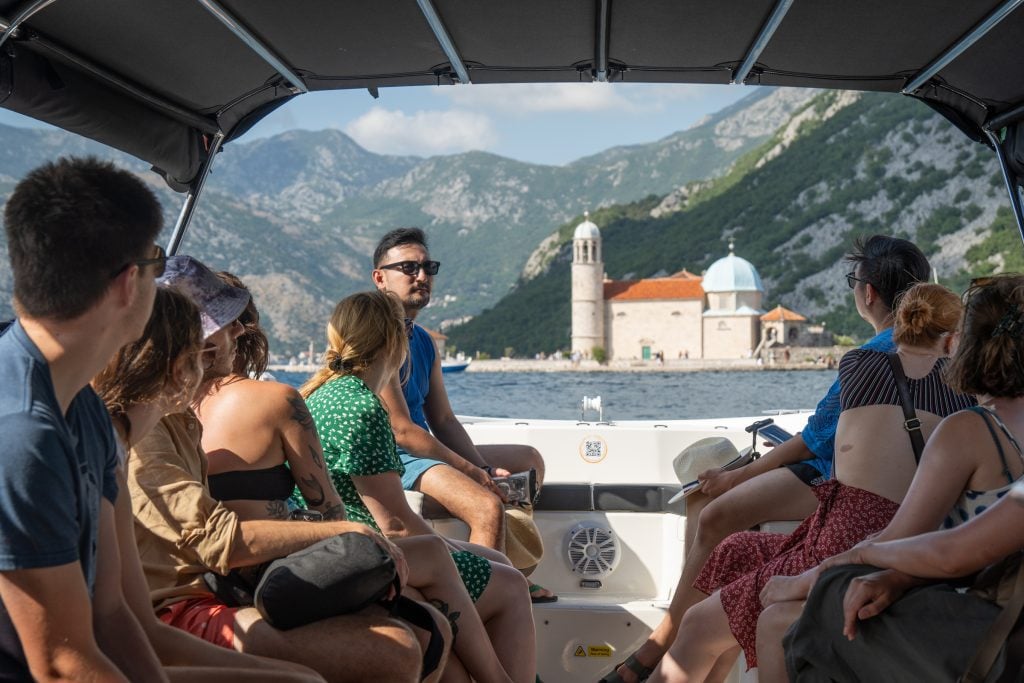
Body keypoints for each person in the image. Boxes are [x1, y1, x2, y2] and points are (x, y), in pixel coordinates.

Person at [602, 234, 931, 682]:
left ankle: (662, 644)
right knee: (727, 534)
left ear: (867, 293)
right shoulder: (945, 359)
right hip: (878, 503)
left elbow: (816, 438)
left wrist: (735, 478)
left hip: (844, 496)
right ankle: (676, 648)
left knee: (716, 515)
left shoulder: (869, 360)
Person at [196, 275, 531, 683]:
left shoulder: (184, 412)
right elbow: (354, 520)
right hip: (284, 569)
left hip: (233, 575)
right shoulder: (307, 401)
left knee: (456, 598)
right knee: (501, 584)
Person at [647, 283, 975, 682]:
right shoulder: (966, 396)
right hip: (884, 538)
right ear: (953, 338)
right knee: (733, 550)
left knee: (698, 625)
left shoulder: (858, 365)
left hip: (843, 538)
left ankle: (665, 655)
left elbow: (819, 437)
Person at [127, 256, 426, 683]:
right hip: (177, 608)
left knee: (419, 625)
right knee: (393, 652)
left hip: (214, 586)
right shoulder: (146, 428)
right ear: (200, 340)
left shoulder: (181, 418)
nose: (239, 330)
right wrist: (347, 533)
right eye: (228, 321)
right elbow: (218, 541)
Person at [765, 274, 1024, 682]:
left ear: (968, 346)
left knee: (796, 614)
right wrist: (897, 578)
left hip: (995, 635)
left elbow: (929, 549)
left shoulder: (971, 430)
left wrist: (851, 560)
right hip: (1003, 608)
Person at [298, 290, 536, 683]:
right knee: (510, 585)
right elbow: (392, 525)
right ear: (395, 342)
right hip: (365, 550)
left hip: (334, 544)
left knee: (501, 563)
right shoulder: (361, 406)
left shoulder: (322, 393)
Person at [92, 286, 323, 682]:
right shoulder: (112, 456)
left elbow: (130, 623)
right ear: (184, 367)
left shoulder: (120, 449)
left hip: (166, 619)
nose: (235, 335)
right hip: (176, 611)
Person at [0, 157, 170, 681]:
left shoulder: (82, 404)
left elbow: (111, 612)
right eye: (156, 265)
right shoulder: (21, 432)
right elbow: (60, 664)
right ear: (126, 284)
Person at [371, 228, 554, 601]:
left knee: (527, 460)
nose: (421, 276)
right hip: (392, 457)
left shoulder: (422, 340)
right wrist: (477, 473)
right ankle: (484, 603)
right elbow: (402, 431)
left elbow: (444, 421)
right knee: (486, 506)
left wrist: (482, 467)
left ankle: (512, 569)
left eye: (428, 267)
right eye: (408, 267)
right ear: (380, 277)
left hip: (420, 451)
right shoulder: (376, 336)